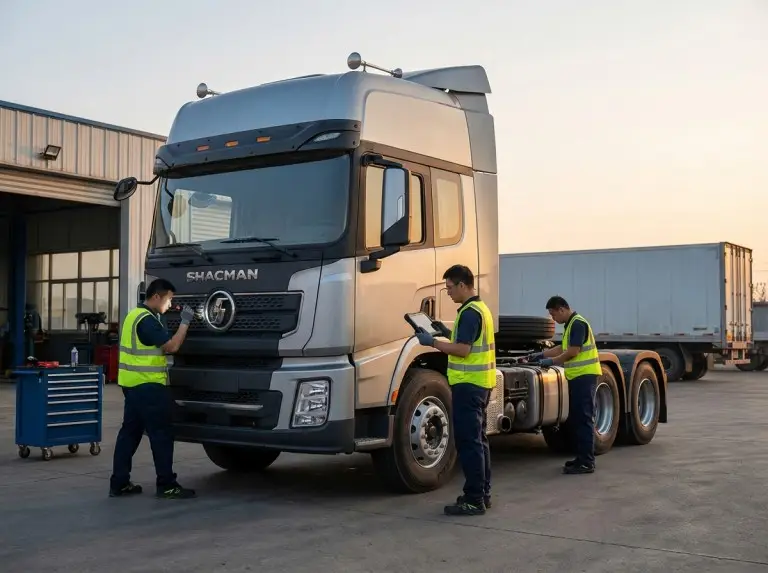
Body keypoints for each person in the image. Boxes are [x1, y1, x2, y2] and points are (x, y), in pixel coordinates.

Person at [415, 264, 495, 516]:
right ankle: (483, 493)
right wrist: (447, 332)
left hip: (468, 386)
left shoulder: (470, 313)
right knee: (479, 442)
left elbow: (463, 350)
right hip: (480, 384)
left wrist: (434, 343)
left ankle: (474, 500)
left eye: (450, 287)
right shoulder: (479, 309)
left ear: (463, 285)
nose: (447, 292)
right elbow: (465, 341)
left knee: (469, 443)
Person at [109, 278, 198, 499]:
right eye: (168, 299)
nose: (170, 304)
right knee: (161, 434)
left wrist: (164, 320)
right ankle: (167, 484)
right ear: (156, 297)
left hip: (131, 385)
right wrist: (185, 322)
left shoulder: (134, 315)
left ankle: (119, 483)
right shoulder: (148, 322)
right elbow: (172, 346)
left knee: (129, 434)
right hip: (149, 386)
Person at [528, 296, 602, 475]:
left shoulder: (577, 323)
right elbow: (563, 348)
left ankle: (586, 462)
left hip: (584, 378)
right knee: (578, 419)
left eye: (553, 314)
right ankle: (581, 457)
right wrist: (539, 355)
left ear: (562, 309)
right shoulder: (571, 325)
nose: (553, 319)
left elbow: (572, 352)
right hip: (578, 378)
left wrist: (550, 361)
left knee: (583, 419)